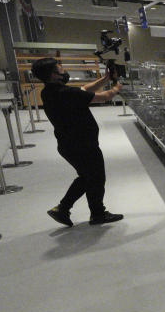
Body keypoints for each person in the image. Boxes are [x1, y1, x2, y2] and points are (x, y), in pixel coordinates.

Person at [30, 57, 124, 226]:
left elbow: (85, 89)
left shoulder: (50, 91)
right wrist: (119, 86)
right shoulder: (64, 93)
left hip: (70, 145)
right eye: (59, 68)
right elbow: (104, 97)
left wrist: (104, 79)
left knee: (88, 177)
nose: (62, 69)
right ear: (52, 74)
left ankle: (66, 210)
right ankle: (93, 213)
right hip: (82, 145)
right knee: (95, 178)